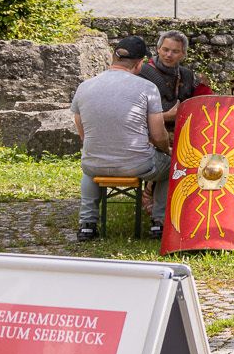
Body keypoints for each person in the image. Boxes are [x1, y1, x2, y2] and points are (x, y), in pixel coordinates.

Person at [71, 35, 172, 242]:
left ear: (112, 57)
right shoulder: (147, 88)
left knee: (90, 168)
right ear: (139, 64)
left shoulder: (84, 87)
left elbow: (82, 130)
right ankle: (159, 222)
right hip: (137, 164)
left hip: (94, 162)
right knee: (171, 167)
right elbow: (158, 134)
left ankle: (87, 224)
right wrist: (165, 151)